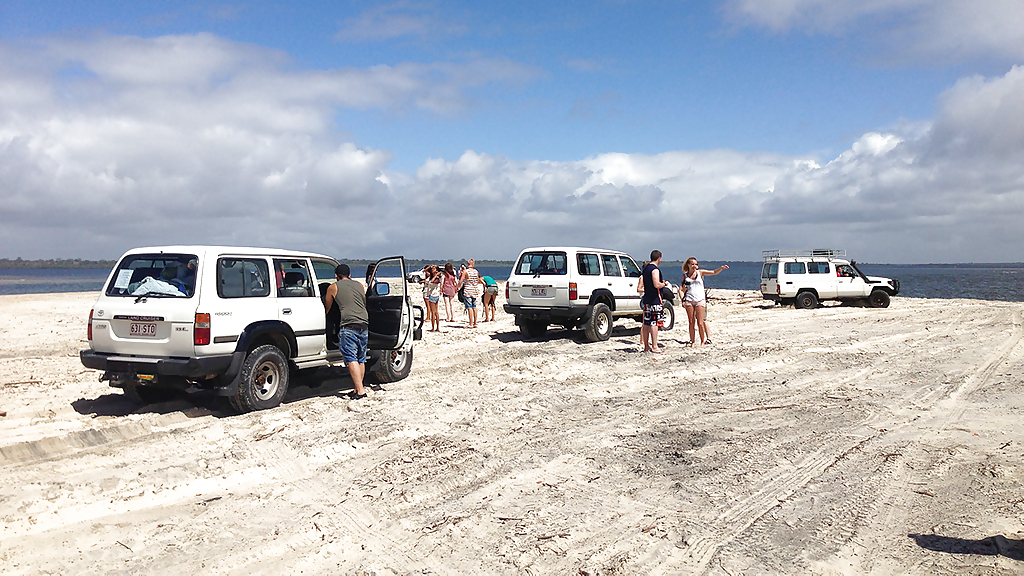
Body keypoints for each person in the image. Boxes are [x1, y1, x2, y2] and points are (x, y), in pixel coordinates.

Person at [324, 264, 370, 398]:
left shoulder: (333, 287)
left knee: (351, 358)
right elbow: (364, 303)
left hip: (348, 325)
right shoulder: (360, 285)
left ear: (336, 276)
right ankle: (358, 388)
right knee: (361, 359)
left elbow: (327, 307)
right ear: (350, 275)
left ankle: (360, 391)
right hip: (364, 323)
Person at [681, 257, 729, 347]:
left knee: (700, 322)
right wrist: (682, 299)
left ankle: (703, 341)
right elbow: (681, 289)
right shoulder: (685, 276)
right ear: (688, 265)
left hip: (700, 299)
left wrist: (721, 268)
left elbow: (714, 272)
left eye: (696, 264)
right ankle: (692, 341)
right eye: (693, 264)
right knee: (691, 322)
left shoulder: (700, 273)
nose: (695, 266)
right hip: (689, 300)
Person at [637, 250, 670, 353]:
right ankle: (654, 346)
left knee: (646, 323)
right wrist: (664, 284)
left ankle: (647, 345)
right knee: (654, 323)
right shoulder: (654, 270)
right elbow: (656, 284)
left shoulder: (645, 269)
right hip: (655, 300)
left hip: (647, 299)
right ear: (659, 258)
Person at [456, 258, 485, 328]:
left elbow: (461, 280)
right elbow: (477, 280)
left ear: (468, 264)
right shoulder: (476, 271)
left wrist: (457, 287)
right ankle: (475, 323)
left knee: (469, 307)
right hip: (474, 290)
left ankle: (471, 323)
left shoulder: (466, 271)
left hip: (468, 290)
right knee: (474, 306)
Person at [423, 265, 442, 332]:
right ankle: (436, 327)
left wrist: (436, 274)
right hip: (434, 295)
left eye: (434, 268)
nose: (432, 269)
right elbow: (425, 270)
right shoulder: (431, 276)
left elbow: (432, 282)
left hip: (433, 295)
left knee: (434, 312)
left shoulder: (437, 278)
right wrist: (430, 266)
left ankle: (434, 328)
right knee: (435, 312)